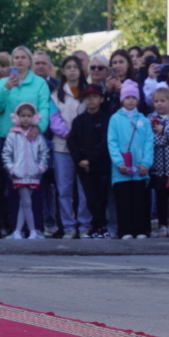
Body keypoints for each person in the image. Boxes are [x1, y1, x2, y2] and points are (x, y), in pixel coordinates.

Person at [50, 57, 91, 238]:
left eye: (76, 67)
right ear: (63, 71)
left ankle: (84, 225)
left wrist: (80, 138)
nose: (72, 70)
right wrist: (68, 135)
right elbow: (54, 118)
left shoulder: (88, 91)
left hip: (84, 148)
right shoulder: (55, 95)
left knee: (84, 189)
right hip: (62, 147)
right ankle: (68, 226)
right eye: (68, 67)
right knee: (64, 189)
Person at [109, 81, 154, 238]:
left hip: (140, 169)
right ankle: (125, 230)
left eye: (133, 97)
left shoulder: (143, 119)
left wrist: (145, 163)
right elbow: (112, 142)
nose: (130, 100)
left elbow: (149, 142)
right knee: (124, 201)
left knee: (140, 200)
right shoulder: (115, 119)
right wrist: (119, 162)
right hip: (121, 170)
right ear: (122, 99)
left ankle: (141, 229)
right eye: (127, 97)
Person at [69, 85, 114, 238]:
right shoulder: (78, 121)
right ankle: (93, 226)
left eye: (95, 96)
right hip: (83, 168)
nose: (92, 100)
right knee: (90, 198)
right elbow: (72, 142)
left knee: (102, 197)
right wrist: (80, 160)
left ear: (101, 99)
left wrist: (91, 159)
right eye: (88, 97)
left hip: (101, 166)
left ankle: (101, 227)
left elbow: (105, 141)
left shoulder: (106, 119)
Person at [1, 102, 50, 239]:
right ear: (17, 117)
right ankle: (33, 230)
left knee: (24, 203)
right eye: (23, 116)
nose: (26, 119)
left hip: (34, 174)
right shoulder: (12, 135)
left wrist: (40, 168)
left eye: (29, 116)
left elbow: (44, 153)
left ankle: (18, 231)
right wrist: (11, 169)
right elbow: (6, 154)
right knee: (27, 201)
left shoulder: (38, 136)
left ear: (34, 117)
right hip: (19, 174)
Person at [149, 87, 169, 236]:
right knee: (160, 196)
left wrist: (164, 131)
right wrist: (161, 137)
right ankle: (162, 224)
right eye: (156, 101)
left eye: (163, 100)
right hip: (157, 166)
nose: (159, 104)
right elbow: (150, 140)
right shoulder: (149, 119)